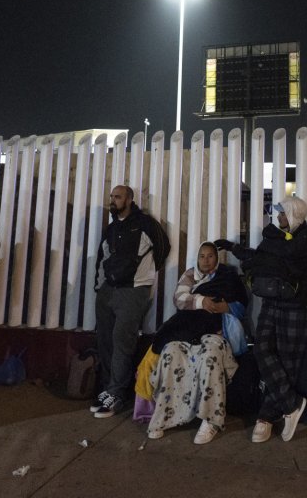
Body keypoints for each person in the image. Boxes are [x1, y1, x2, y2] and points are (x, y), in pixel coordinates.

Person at [215, 195, 307, 444]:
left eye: (284, 213)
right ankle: (292, 404)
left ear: (295, 213)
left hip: (294, 305)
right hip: (272, 302)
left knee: (287, 362)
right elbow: (259, 257)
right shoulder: (276, 237)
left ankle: (265, 417)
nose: (279, 218)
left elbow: (287, 252)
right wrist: (233, 248)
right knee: (262, 349)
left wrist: (270, 240)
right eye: (279, 213)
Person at [145, 241, 247, 444]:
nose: (206, 260)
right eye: (202, 256)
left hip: (216, 331)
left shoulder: (227, 275)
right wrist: (202, 302)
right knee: (170, 353)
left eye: (210, 256)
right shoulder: (190, 275)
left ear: (217, 259)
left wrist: (226, 307)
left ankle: (211, 420)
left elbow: (241, 305)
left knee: (210, 355)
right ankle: (167, 415)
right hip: (188, 331)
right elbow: (179, 298)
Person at [91, 185, 169, 419]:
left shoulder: (145, 223)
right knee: (105, 340)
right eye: (112, 196)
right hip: (108, 291)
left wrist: (144, 277)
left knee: (122, 342)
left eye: (118, 197)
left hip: (133, 291)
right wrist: (100, 287)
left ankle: (116, 393)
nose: (113, 200)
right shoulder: (112, 228)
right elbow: (102, 257)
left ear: (129, 199)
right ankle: (108, 389)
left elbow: (163, 248)